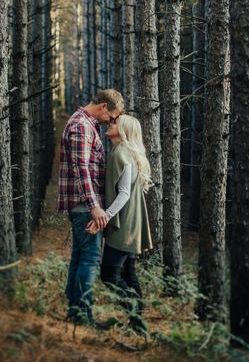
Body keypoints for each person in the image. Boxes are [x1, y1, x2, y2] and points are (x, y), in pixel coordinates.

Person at [57, 89, 125, 327]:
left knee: (79, 257)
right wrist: (94, 206)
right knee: (90, 259)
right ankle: (84, 317)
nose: (112, 122)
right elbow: (81, 168)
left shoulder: (88, 124)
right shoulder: (82, 126)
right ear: (104, 106)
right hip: (85, 206)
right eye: (113, 116)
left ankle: (75, 312)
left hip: (84, 204)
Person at [87, 114, 153, 334]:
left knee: (109, 274)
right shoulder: (126, 152)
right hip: (131, 221)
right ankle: (138, 326)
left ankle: (135, 316)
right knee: (128, 272)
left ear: (123, 130)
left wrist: (103, 217)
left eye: (115, 123)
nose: (110, 124)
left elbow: (123, 194)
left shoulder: (121, 153)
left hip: (124, 223)